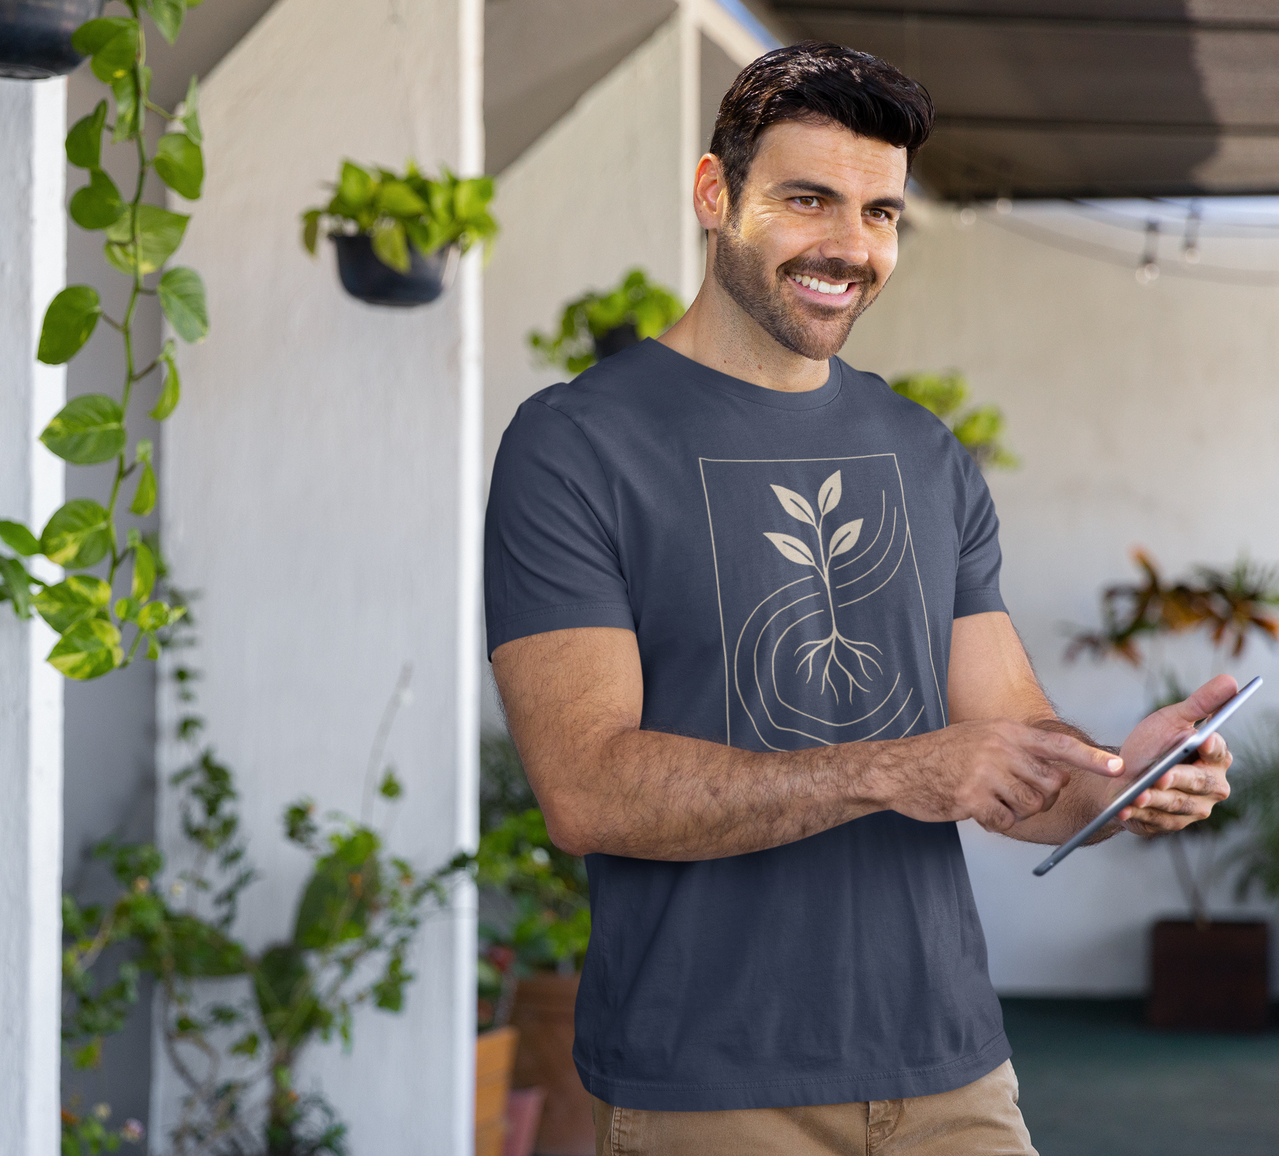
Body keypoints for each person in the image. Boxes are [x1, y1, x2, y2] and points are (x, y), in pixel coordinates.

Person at [483, 40, 1233, 1156]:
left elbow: (1010, 738)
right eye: (806, 199)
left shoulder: (922, 452)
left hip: (950, 1069)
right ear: (711, 194)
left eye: (879, 213)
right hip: (711, 1082)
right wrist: (896, 766)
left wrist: (1120, 777)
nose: (848, 246)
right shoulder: (576, 445)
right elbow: (586, 788)